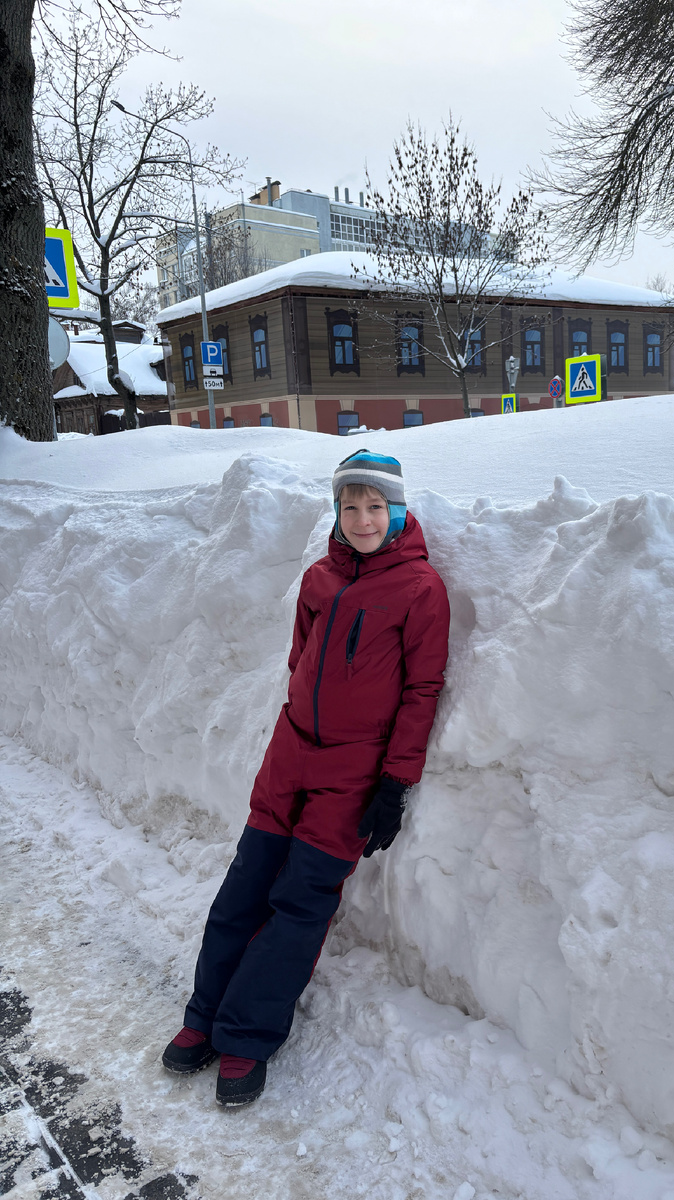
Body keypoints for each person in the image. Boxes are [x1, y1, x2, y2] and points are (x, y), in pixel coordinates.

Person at [161, 449, 451, 1107]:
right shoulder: (321, 576)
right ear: (337, 512)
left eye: (376, 506)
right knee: (245, 884)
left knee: (300, 903)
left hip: (353, 771)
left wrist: (394, 782)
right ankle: (205, 1015)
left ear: (398, 510)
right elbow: (301, 657)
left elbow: (423, 689)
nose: (363, 518)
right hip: (290, 753)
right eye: (351, 506)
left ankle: (246, 1035)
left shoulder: (420, 589)